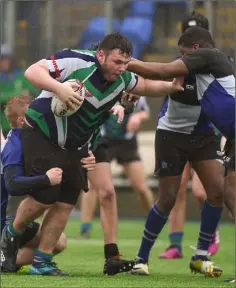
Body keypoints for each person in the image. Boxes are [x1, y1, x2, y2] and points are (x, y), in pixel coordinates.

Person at [1, 32, 184, 276]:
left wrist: (171, 86)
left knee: (66, 202)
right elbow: (32, 71)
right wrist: (60, 89)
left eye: (125, 63)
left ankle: (41, 261)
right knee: (46, 196)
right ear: (101, 55)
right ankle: (11, 234)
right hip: (43, 132)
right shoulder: (77, 61)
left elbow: (146, 85)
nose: (121, 68)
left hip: (75, 144)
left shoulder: (123, 78)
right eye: (117, 62)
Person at [128, 26, 235, 276]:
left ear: (196, 49)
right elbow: (154, 76)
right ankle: (141, 259)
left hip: (203, 135)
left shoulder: (211, 62)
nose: (181, 56)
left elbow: (160, 70)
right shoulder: (181, 67)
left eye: (183, 51)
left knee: (218, 193)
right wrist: (132, 91)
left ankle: (200, 255)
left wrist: (127, 62)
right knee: (167, 198)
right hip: (171, 135)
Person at [158, 11, 221, 260]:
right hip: (177, 131)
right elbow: (165, 93)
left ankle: (210, 235)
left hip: (207, 132)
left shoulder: (218, 64)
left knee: (201, 191)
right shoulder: (178, 64)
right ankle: (175, 244)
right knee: (177, 188)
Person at [0, 95, 68, 273]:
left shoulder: (31, 139)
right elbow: (12, 184)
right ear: (23, 121)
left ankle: (7, 261)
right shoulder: (15, 146)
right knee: (57, 241)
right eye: (36, 113)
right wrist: (46, 179)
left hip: (19, 221)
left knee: (59, 241)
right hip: (6, 223)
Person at [80, 94, 153, 238]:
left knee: (141, 187)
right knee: (92, 185)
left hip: (127, 142)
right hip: (104, 139)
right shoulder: (108, 86)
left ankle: (155, 221)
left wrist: (138, 117)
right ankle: (85, 228)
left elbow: (145, 112)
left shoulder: (136, 86)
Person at [0, 44, 39, 137]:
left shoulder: (21, 75)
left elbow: (33, 93)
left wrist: (5, 96)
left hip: (23, 126)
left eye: (6, 59)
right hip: (3, 126)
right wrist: (18, 94)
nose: (4, 62)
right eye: (1, 60)